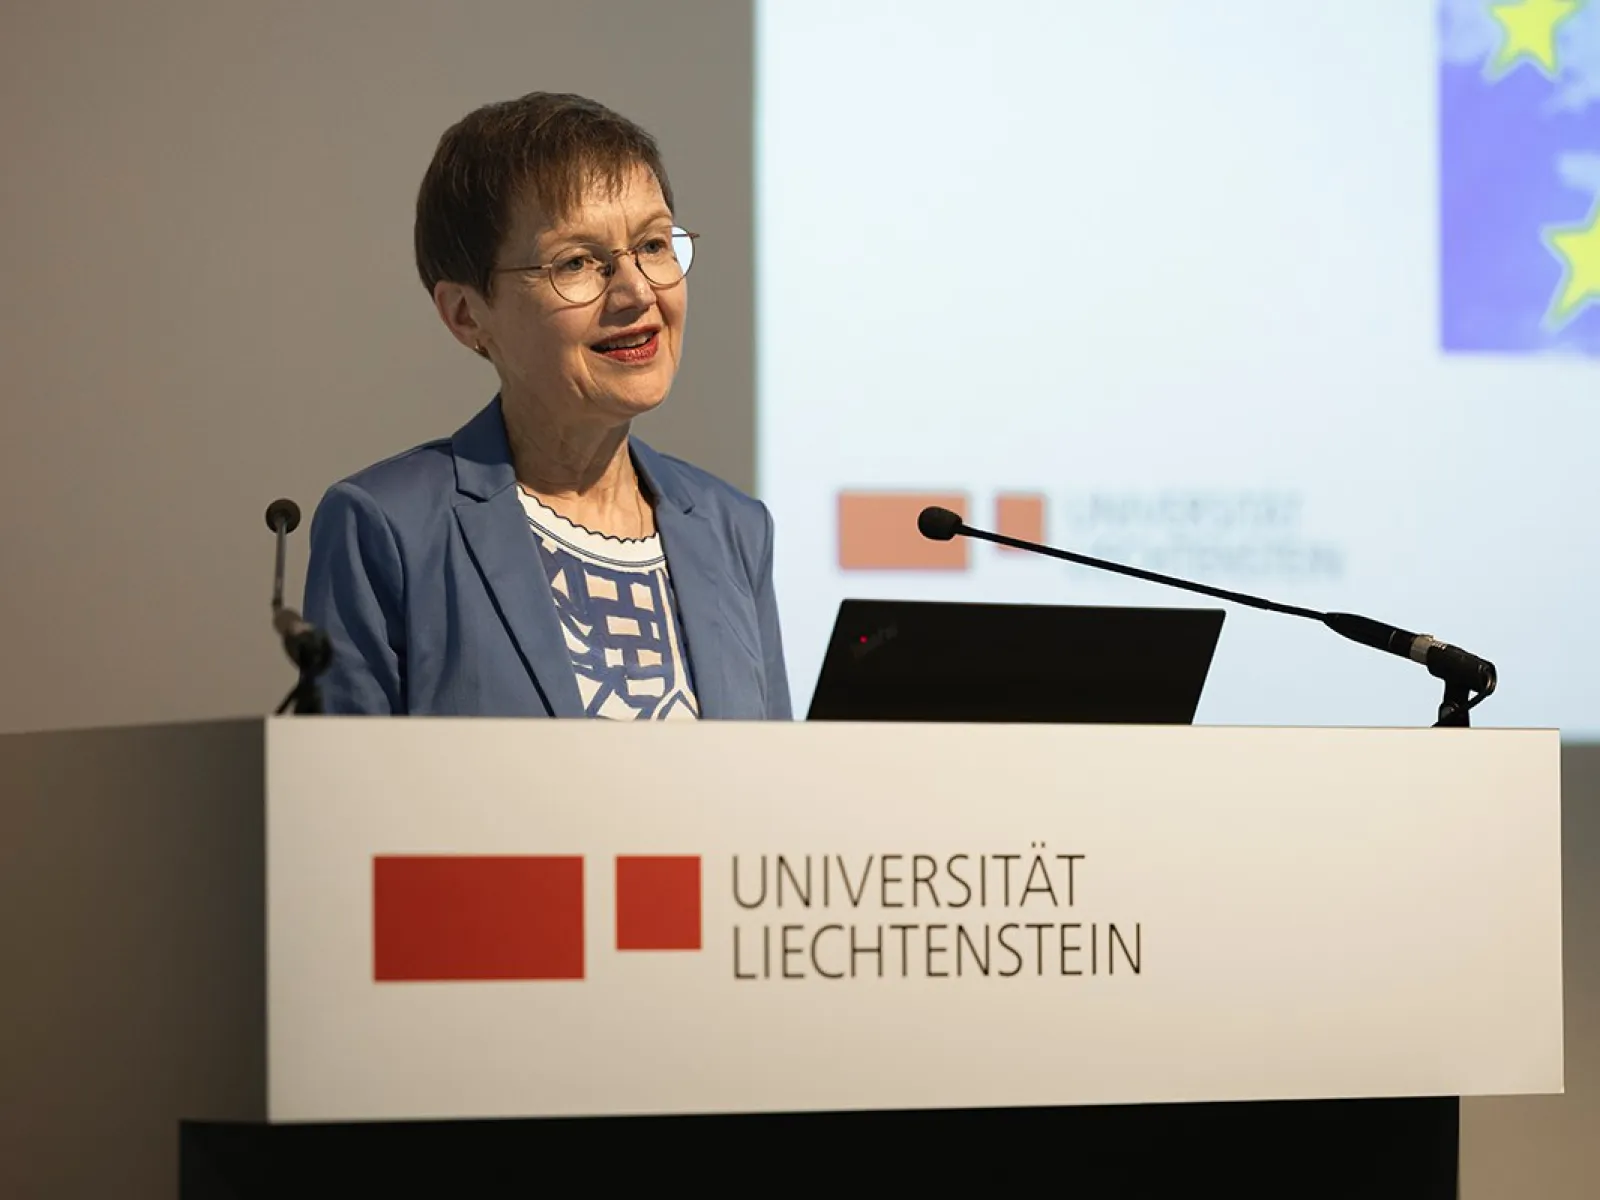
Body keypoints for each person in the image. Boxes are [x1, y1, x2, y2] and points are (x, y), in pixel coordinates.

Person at [301, 91, 791, 720]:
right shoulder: (388, 529)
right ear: (466, 313)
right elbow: (341, 800)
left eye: (652, 245)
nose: (637, 291)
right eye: (578, 262)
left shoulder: (734, 529)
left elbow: (773, 789)